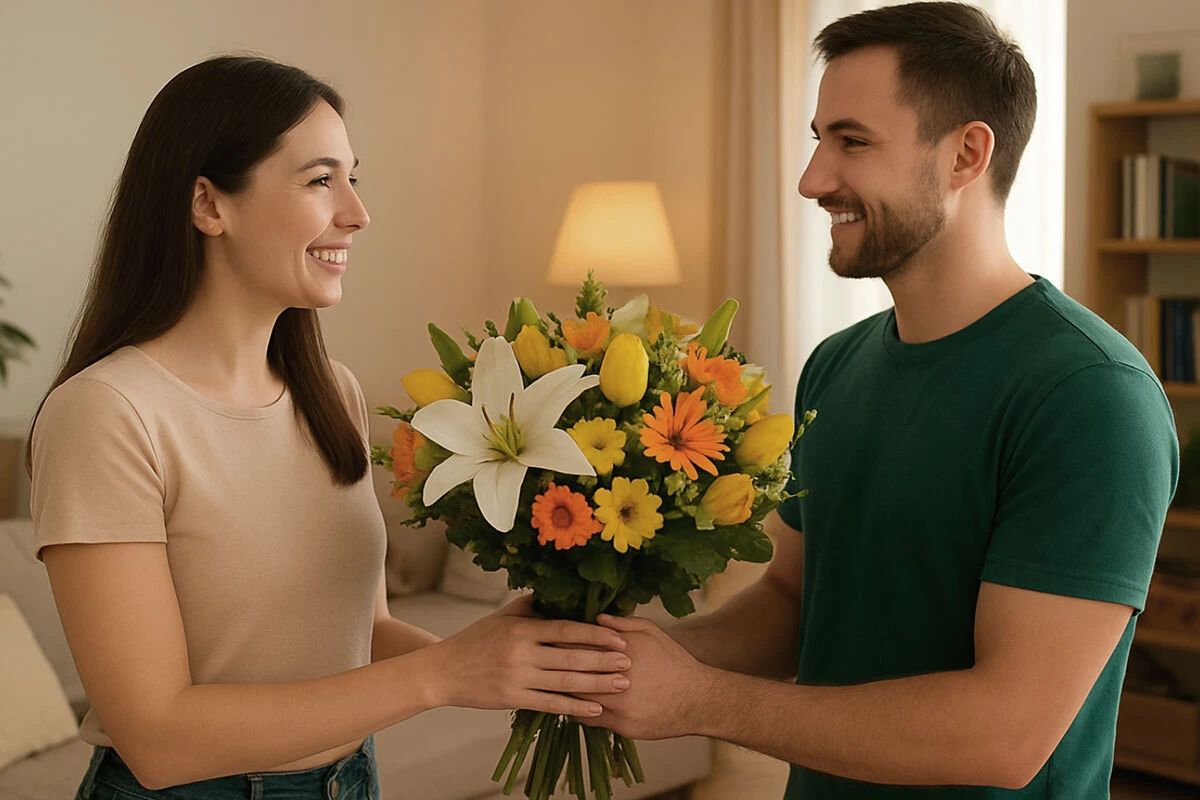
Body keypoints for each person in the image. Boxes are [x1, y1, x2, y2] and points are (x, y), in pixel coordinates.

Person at [581, 3, 1178, 797]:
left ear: (967, 154)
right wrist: (624, 660)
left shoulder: (1091, 397)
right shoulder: (836, 365)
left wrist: (698, 700)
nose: (812, 180)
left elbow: (1005, 733)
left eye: (852, 142)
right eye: (818, 140)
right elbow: (794, 601)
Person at [26, 55, 631, 799]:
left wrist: (499, 658)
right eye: (320, 180)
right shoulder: (108, 413)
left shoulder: (330, 393)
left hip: (350, 779)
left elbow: (361, 634)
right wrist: (442, 674)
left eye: (353, 177)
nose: (356, 212)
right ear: (208, 205)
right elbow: (158, 740)